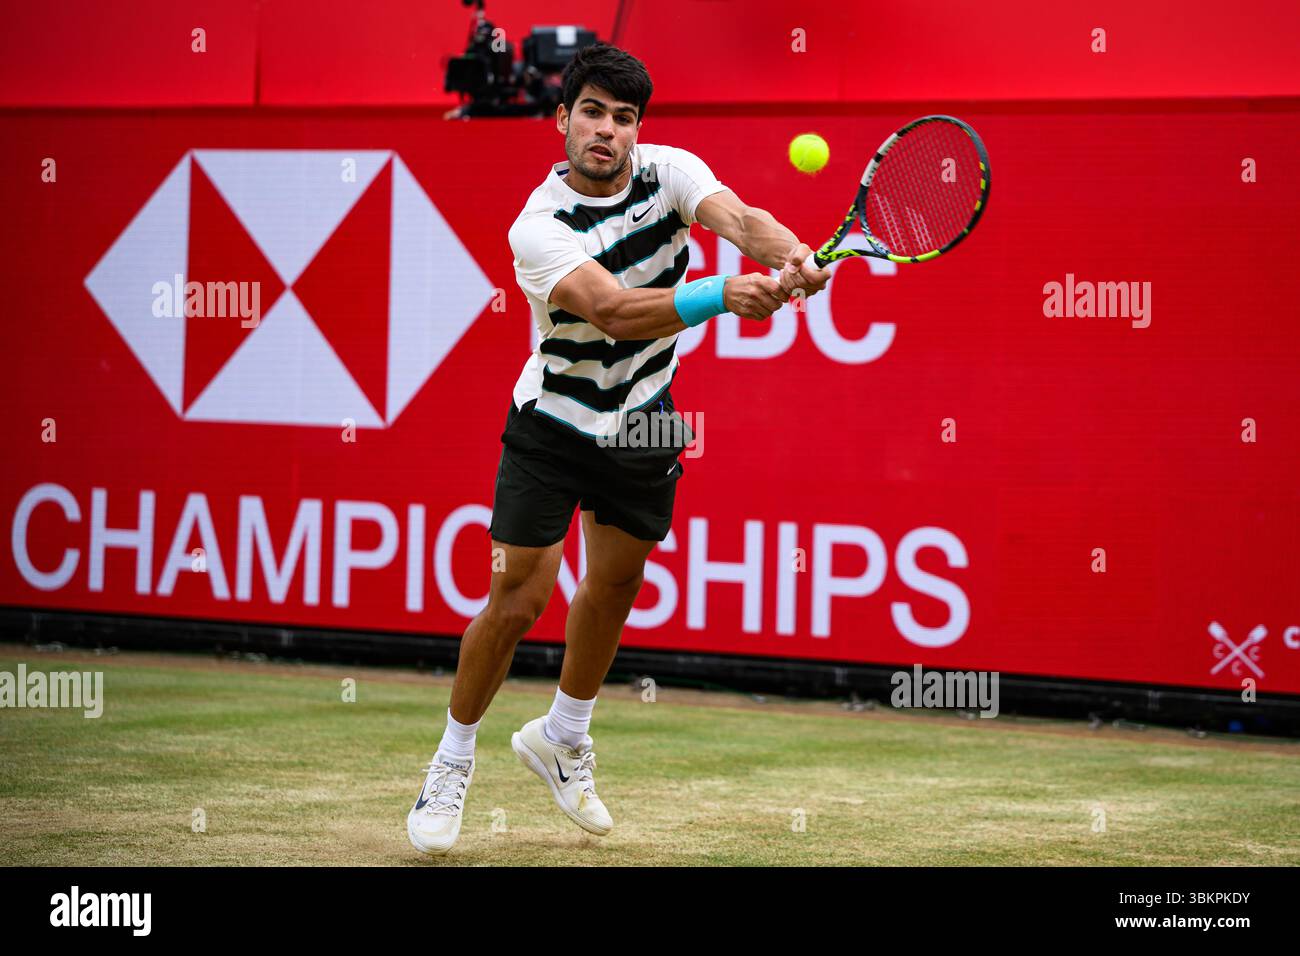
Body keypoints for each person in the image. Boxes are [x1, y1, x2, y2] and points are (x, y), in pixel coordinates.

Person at [408, 41, 830, 855]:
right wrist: (721, 294)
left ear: (638, 129)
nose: (608, 130)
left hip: (646, 417)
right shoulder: (538, 228)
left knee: (616, 581)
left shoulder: (669, 171)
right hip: (553, 423)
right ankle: (450, 761)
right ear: (562, 121)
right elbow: (611, 311)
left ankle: (563, 736)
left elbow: (740, 221)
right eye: (592, 113)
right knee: (519, 599)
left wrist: (789, 257)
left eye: (624, 117)